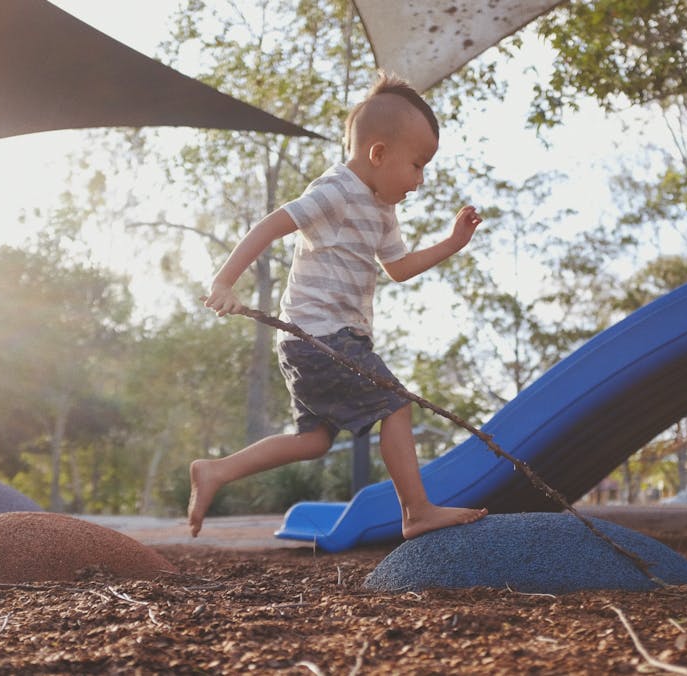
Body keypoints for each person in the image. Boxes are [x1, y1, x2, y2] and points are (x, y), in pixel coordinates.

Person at [192, 72, 488, 540]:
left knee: (312, 441)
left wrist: (452, 243)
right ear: (378, 153)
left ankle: (216, 470)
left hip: (316, 341)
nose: (421, 180)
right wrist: (226, 281)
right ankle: (416, 511)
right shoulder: (336, 190)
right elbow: (271, 225)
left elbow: (400, 267)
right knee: (396, 405)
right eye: (417, 165)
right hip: (320, 335)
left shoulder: (382, 210)